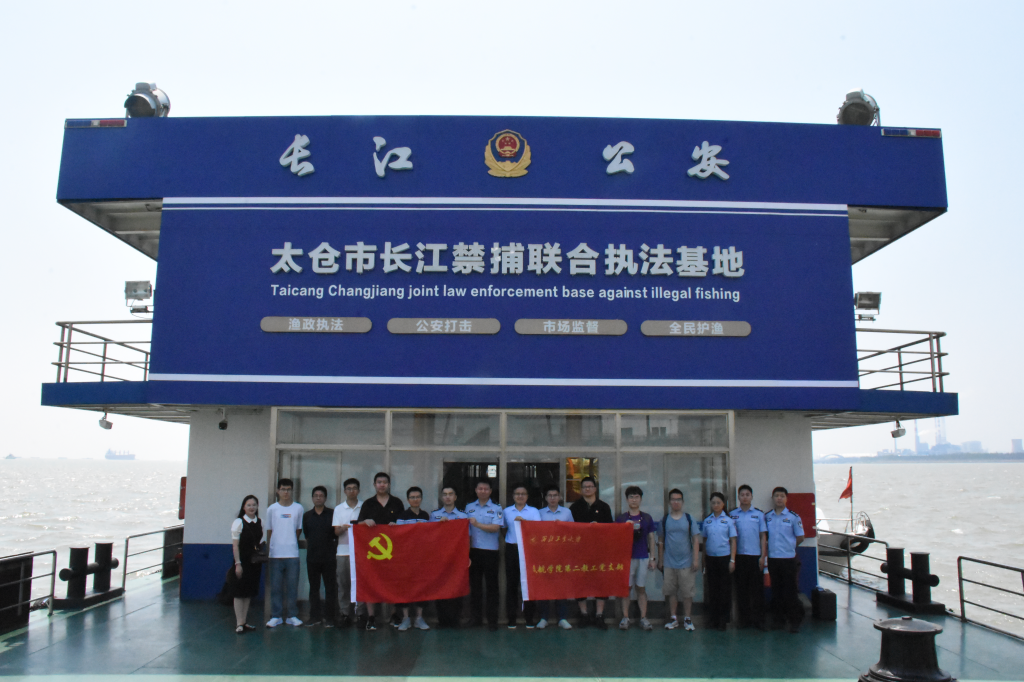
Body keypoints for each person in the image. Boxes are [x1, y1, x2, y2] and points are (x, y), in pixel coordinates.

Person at [356, 472, 405, 630]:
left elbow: (404, 525)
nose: (382, 484)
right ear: (374, 484)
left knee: (393, 582)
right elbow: (358, 524)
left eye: (384, 482)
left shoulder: (397, 502)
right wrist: (365, 521)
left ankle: (394, 614)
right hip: (372, 551)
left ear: (389, 484)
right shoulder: (368, 503)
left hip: (393, 550)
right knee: (370, 582)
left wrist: (397, 525)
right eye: (379, 482)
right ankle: (371, 617)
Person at [568, 476, 613, 629]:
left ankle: (599, 615)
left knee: (601, 582)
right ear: (581, 490)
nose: (587, 489)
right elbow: (569, 530)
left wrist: (599, 527)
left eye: (590, 486)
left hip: (600, 551)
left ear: (595, 489)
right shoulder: (574, 508)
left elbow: (611, 529)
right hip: (579, 551)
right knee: (580, 582)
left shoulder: (604, 507)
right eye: (584, 487)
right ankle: (584, 614)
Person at [658, 488, 701, 631]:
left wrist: (695, 560)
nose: (676, 502)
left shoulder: (689, 518)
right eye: (673, 499)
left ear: (682, 502)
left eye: (678, 500)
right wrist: (660, 560)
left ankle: (687, 618)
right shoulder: (665, 520)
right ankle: (673, 618)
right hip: (669, 563)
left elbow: (695, 540)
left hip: (686, 563)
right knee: (671, 592)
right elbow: (661, 541)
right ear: (669, 502)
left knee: (687, 593)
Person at [615, 485, 656, 631]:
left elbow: (651, 538)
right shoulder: (621, 518)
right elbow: (615, 538)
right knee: (626, 588)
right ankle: (625, 617)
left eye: (636, 497)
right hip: (627, 559)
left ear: (641, 499)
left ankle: (643, 618)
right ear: (627, 500)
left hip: (643, 557)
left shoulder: (647, 518)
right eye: (631, 497)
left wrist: (652, 558)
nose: (634, 499)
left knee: (641, 588)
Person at [765, 486, 805, 633]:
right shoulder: (767, 517)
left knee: (790, 591)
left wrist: (789, 547)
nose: (779, 498)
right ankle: (779, 620)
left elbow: (800, 537)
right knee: (776, 590)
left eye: (782, 496)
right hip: (773, 559)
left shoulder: (793, 517)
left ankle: (794, 621)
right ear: (773, 498)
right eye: (776, 496)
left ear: (786, 499)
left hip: (788, 559)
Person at [465, 478, 503, 630]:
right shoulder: (468, 507)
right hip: (474, 551)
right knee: (475, 587)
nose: (483, 491)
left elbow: (495, 528)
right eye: (480, 488)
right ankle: (476, 619)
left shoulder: (496, 508)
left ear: (490, 491)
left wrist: (477, 524)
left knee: (492, 587)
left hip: (490, 552)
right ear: (475, 490)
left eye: (486, 489)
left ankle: (492, 621)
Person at [265, 478, 304, 627]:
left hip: (292, 554)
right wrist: (273, 546)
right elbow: (270, 530)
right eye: (283, 489)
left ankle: (291, 615)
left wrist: (290, 541)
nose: (286, 492)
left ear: (292, 491)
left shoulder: (298, 508)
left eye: (288, 489)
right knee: (276, 587)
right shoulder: (272, 509)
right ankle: (276, 616)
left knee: (292, 587)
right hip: (275, 554)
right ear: (277, 491)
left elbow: (298, 529)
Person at [729, 484, 768, 630]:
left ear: (751, 497)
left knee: (757, 590)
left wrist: (763, 556)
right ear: (738, 497)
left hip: (755, 556)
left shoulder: (759, 514)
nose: (744, 497)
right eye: (742, 495)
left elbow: (763, 536)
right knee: (741, 590)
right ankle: (744, 620)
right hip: (739, 556)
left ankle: (759, 620)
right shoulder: (732, 514)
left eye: (747, 495)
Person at [503, 483, 541, 628]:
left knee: (528, 584)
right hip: (512, 549)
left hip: (529, 550)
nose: (520, 496)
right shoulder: (507, 511)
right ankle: (511, 618)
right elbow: (503, 529)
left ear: (527, 496)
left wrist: (525, 523)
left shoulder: (533, 511)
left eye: (523, 494)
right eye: (517, 494)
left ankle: (529, 618)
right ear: (513, 496)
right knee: (511, 585)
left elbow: (538, 529)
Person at [431, 485, 469, 628]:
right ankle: (442, 619)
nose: (447, 497)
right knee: (440, 587)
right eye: (445, 494)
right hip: (439, 557)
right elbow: (430, 536)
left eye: (450, 494)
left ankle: (455, 619)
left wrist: (467, 556)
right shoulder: (434, 515)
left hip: (457, 557)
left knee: (456, 586)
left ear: (455, 497)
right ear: (441, 497)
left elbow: (467, 538)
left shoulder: (463, 516)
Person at [536, 484, 574, 630]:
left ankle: (562, 618)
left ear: (560, 497)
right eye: (550, 496)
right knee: (544, 586)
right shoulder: (539, 513)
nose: (552, 498)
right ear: (545, 498)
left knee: (561, 586)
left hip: (561, 554)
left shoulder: (566, 512)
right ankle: (544, 618)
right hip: (544, 554)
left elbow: (572, 532)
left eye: (555, 495)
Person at [395, 486, 431, 631]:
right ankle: (406, 618)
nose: (415, 500)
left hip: (422, 557)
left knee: (422, 586)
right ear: (408, 499)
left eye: (418, 497)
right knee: (404, 587)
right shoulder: (402, 516)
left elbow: (430, 535)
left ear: (421, 498)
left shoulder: (426, 515)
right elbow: (399, 535)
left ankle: (419, 618)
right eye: (412, 497)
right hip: (405, 557)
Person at [302, 485, 338, 627]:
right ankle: (315, 616)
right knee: (314, 588)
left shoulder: (332, 514)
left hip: (329, 557)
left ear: (325, 498)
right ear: (312, 498)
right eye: (316, 496)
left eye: (321, 496)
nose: (318, 498)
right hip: (312, 558)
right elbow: (307, 534)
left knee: (330, 588)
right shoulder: (307, 516)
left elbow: (335, 534)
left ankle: (330, 617)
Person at [702, 491, 737, 631]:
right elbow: (705, 541)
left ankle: (723, 620)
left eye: (718, 502)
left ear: (723, 504)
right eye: (713, 503)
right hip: (711, 559)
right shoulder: (707, 521)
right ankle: (713, 619)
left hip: (724, 558)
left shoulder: (729, 521)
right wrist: (704, 561)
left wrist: (732, 560)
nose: (715, 505)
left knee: (724, 590)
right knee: (713, 590)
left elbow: (733, 541)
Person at [332, 478, 365, 628]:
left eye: (354, 488)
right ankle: (345, 613)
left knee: (360, 584)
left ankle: (361, 613)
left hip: (361, 552)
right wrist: (344, 528)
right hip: (343, 552)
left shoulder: (364, 507)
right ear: (345, 491)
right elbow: (336, 531)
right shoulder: (339, 509)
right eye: (349, 488)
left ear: (359, 490)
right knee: (343, 584)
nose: (352, 491)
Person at [230, 494, 263, 634]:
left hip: (254, 562)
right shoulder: (238, 522)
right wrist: (238, 564)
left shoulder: (260, 522)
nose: (251, 507)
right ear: (244, 507)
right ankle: (239, 623)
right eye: (248, 505)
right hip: (242, 561)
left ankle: (244, 621)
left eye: (254, 505)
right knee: (239, 592)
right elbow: (235, 546)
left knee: (248, 592)